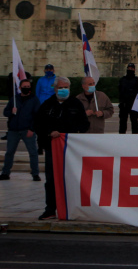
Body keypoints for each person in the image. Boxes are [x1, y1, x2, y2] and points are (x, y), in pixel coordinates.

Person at [34, 76, 89, 219]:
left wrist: (72, 133)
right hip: (52, 149)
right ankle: (50, 209)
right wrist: (49, 133)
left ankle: (72, 209)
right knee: (51, 179)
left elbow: (84, 124)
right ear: (55, 88)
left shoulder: (75, 104)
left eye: (66, 87)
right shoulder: (47, 105)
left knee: (72, 179)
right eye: (61, 87)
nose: (63, 90)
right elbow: (39, 125)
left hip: (71, 150)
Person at [0, 79, 41, 182]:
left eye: (28, 86)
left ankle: (35, 173)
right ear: (20, 88)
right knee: (9, 152)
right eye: (24, 86)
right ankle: (5, 173)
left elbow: (37, 116)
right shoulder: (14, 99)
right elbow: (5, 112)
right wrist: (11, 112)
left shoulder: (34, 99)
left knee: (33, 153)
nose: (26, 88)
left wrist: (32, 129)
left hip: (27, 130)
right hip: (14, 130)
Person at [117, 63, 138, 134]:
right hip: (124, 104)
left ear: (134, 69)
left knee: (134, 122)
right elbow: (120, 91)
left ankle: (135, 137)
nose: (130, 70)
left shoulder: (137, 80)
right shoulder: (122, 80)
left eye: (131, 68)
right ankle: (122, 136)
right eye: (129, 68)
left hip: (134, 104)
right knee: (122, 122)